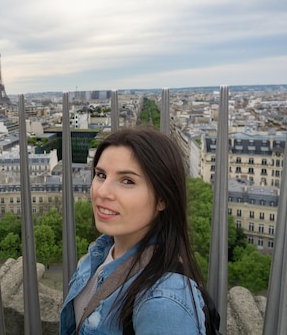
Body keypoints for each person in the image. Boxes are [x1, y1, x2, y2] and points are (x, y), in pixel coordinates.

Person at [60, 128, 218, 335]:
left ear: (162, 198)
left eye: (127, 181)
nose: (102, 191)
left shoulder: (163, 304)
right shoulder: (102, 251)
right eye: (101, 175)